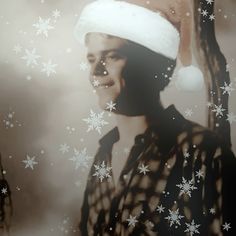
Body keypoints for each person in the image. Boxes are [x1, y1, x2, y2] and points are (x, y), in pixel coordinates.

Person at [74, 0, 236, 235]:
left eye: (112, 56)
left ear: (152, 65)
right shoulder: (104, 155)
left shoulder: (204, 154)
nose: (96, 71)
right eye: (91, 59)